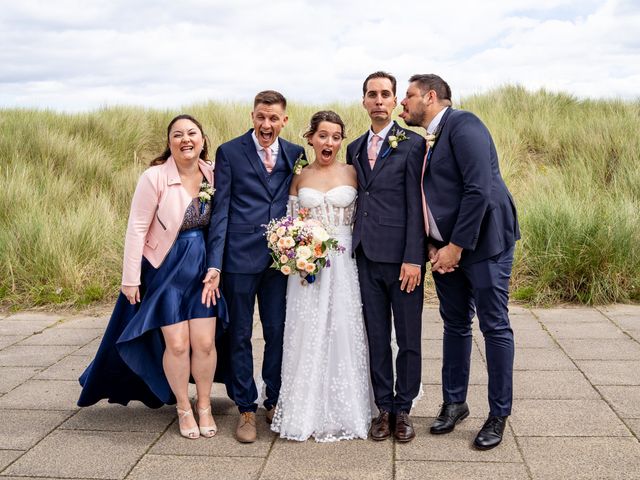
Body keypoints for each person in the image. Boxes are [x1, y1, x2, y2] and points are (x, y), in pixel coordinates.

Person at [78, 114, 225, 440]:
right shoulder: (154, 177)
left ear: (202, 139)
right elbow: (136, 229)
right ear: (169, 141)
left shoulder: (213, 174)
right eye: (178, 135)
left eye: (192, 133)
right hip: (165, 269)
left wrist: (217, 266)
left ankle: (204, 406)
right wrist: (130, 278)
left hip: (203, 267)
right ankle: (183, 408)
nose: (186, 139)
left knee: (204, 342)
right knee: (176, 343)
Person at [400, 74, 520, 450]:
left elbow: (477, 189)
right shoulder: (426, 140)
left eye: (409, 95)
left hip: (484, 243)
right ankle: (455, 402)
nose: (403, 103)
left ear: (431, 97)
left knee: (495, 326)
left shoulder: (464, 124)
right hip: (446, 249)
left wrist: (456, 246)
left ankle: (499, 413)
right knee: (454, 324)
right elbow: (430, 196)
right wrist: (435, 245)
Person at [203, 91, 306, 443]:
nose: (267, 124)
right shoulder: (229, 152)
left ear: (284, 120)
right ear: (252, 116)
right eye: (261, 117)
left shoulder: (295, 154)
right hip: (238, 260)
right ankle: (246, 407)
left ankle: (272, 400)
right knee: (241, 334)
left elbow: (298, 206)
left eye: (274, 118)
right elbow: (221, 211)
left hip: (280, 262)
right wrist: (215, 263)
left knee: (278, 331)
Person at [270, 111, 373, 442]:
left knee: (344, 328)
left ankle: (349, 408)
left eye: (336, 136)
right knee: (308, 330)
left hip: (345, 262)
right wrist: (295, 253)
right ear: (310, 138)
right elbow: (290, 222)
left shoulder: (354, 173)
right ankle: (305, 408)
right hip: (308, 266)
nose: (329, 142)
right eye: (323, 135)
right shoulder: (299, 177)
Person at [346, 72, 426, 443]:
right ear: (364, 101)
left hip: (402, 260)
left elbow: (416, 204)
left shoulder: (412, 143)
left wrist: (414, 258)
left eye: (385, 94)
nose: (378, 100)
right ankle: (383, 408)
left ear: (394, 101)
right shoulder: (354, 148)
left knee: (408, 337)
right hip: (364, 256)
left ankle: (404, 408)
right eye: (371, 94)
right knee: (376, 335)